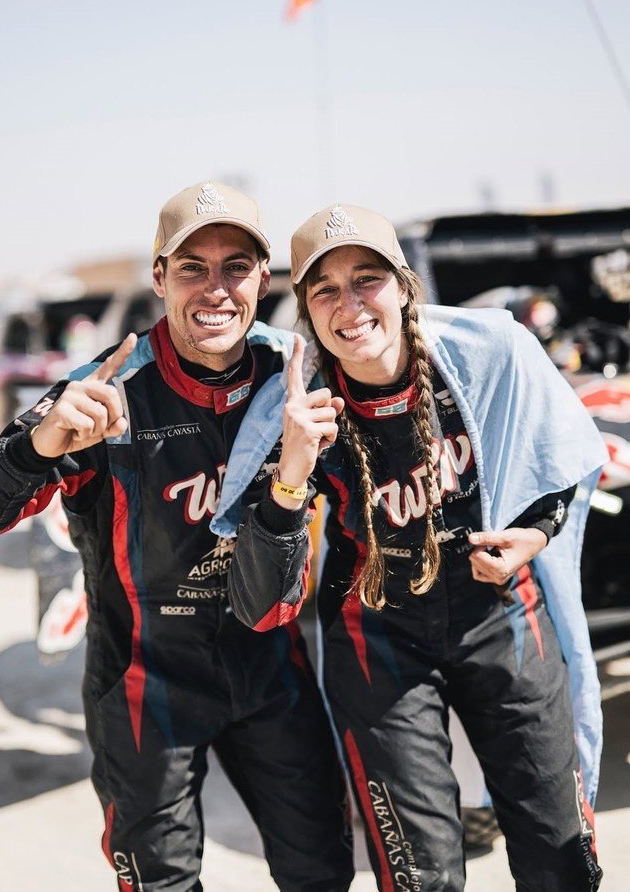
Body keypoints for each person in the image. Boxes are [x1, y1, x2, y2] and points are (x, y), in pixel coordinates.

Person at [0, 183, 353, 891]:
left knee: (322, 873)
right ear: (158, 277)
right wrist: (39, 445)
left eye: (236, 267)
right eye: (192, 267)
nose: (215, 290)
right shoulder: (101, 391)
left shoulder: (298, 376)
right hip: (145, 683)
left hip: (271, 673)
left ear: (263, 278)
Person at [213, 204, 607, 891]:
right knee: (422, 879)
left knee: (561, 862)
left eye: (366, 279)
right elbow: (258, 592)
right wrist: (292, 473)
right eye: (325, 289)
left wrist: (535, 535)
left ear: (403, 286)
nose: (350, 304)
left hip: (501, 615)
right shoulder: (297, 406)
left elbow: (559, 460)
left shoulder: (484, 355)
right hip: (379, 638)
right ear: (306, 308)